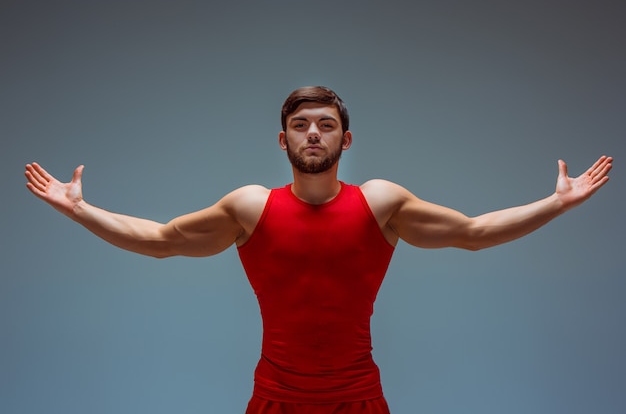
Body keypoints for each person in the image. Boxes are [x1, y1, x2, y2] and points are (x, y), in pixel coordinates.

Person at [25, 86, 612, 414]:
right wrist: (80, 210)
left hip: (359, 399)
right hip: (274, 399)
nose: (313, 133)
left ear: (345, 138)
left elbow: (475, 232)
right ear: (283, 139)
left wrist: (556, 203)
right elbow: (158, 241)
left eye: (326, 124)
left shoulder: (381, 203)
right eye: (301, 124)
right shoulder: (250, 207)